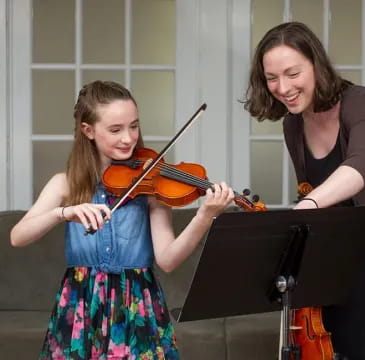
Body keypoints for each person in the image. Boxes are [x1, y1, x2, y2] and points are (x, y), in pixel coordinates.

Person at [244, 22, 365, 360]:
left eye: (292, 73)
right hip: (339, 262)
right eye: (272, 78)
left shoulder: (363, 103)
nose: (283, 87)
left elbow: (360, 166)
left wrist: (309, 204)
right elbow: (311, 188)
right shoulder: (293, 123)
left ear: (316, 65)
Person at [10, 80, 234, 359]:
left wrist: (205, 215)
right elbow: (18, 236)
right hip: (81, 304)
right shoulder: (65, 184)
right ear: (88, 130)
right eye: (115, 130)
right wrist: (64, 212)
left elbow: (168, 260)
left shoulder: (152, 185)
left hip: (137, 304)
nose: (128, 138)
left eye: (134, 126)